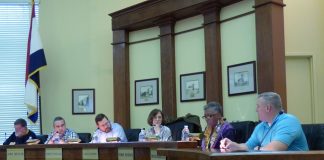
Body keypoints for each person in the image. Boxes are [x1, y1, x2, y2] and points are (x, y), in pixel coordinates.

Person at [220, 92, 309, 151]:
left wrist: (258, 149)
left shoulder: (289, 121)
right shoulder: (260, 126)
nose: (256, 110)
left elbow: (276, 149)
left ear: (268, 108)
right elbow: (249, 146)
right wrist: (233, 145)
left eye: (258, 106)